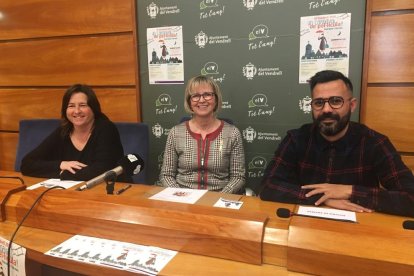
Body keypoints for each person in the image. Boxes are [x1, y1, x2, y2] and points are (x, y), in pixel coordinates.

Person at [260, 70, 414, 217]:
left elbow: (410, 198)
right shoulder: (296, 139)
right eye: (319, 103)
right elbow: (267, 186)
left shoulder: (374, 143)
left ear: (352, 105)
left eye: (336, 101)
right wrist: (323, 198)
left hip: (359, 231)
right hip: (303, 228)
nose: (326, 109)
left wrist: (350, 191)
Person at [21, 84, 127, 182]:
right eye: (71, 106)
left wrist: (63, 175)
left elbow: (101, 171)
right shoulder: (64, 131)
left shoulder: (106, 129)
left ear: (93, 108)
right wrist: (61, 165)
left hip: (111, 192)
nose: (77, 111)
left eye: (82, 105)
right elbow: (27, 164)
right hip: (75, 193)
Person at [160, 75, 245, 193]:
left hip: (218, 197)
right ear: (189, 102)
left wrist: (220, 197)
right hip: (183, 197)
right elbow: (166, 175)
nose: (201, 100)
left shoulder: (232, 133)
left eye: (207, 94)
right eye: (195, 96)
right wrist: (181, 195)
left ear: (216, 99)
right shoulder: (175, 133)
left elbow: (238, 177)